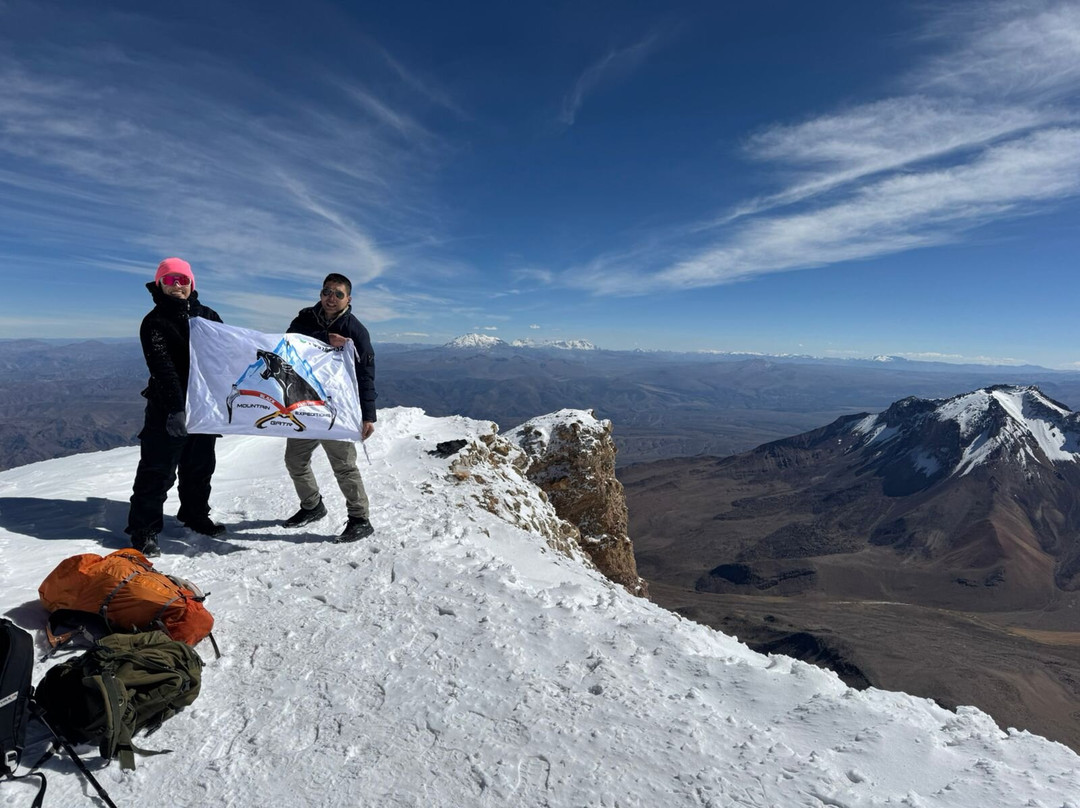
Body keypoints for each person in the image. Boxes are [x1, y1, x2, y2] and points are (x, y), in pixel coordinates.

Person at [125, 258, 225, 557]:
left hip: (203, 407)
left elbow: (225, 357)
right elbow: (163, 367)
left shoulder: (208, 316)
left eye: (182, 279)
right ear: (160, 284)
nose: (177, 285)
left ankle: (194, 515)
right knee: (158, 470)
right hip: (166, 409)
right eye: (170, 280)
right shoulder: (155, 321)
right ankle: (144, 529)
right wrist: (175, 408)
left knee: (199, 467)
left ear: (192, 283)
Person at [281, 272, 377, 542]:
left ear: (348, 298)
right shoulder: (305, 318)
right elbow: (289, 341)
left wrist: (368, 415)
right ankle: (312, 506)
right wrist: (324, 337)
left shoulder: (355, 330)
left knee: (344, 466)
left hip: (337, 409)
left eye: (338, 293)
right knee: (294, 460)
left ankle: (360, 519)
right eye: (326, 292)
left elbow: (366, 373)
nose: (330, 298)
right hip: (306, 405)